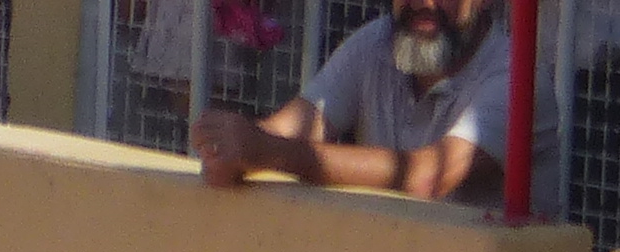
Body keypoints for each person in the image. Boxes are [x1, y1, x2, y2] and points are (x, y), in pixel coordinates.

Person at [189, 0, 510, 201]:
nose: (425, 3)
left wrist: (263, 151)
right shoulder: (375, 41)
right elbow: (294, 127)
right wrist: (228, 147)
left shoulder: (514, 75)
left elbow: (428, 176)